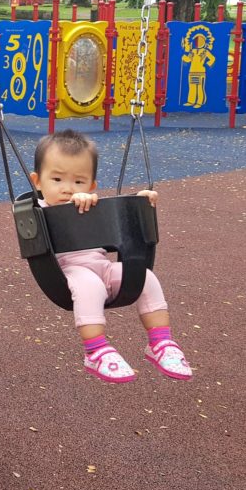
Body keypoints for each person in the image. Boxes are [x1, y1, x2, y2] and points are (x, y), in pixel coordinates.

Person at [30, 129, 193, 383]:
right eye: (57, 179)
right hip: (69, 273)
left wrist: (141, 202)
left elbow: (118, 217)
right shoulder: (39, 208)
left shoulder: (90, 204)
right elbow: (37, 216)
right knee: (90, 284)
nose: (68, 189)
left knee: (144, 277)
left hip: (103, 268)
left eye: (79, 182)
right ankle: (95, 350)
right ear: (37, 182)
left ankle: (161, 343)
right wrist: (75, 201)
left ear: (92, 186)